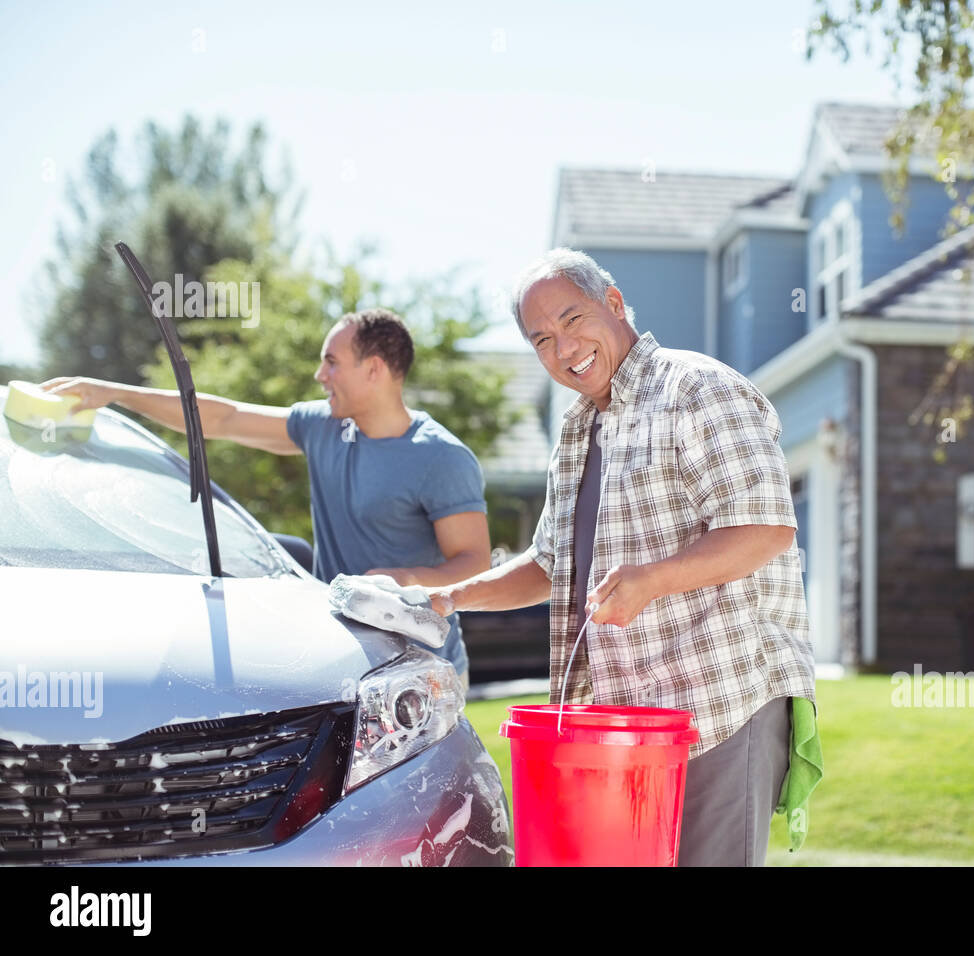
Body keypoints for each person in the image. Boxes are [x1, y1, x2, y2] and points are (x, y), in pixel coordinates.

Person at [426, 248, 817, 866]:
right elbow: (550, 565)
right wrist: (450, 598)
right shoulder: (578, 431)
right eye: (542, 339)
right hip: (621, 729)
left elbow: (765, 527)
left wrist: (651, 580)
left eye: (573, 319)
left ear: (613, 302)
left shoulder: (696, 389)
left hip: (720, 706)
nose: (564, 348)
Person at [41, 308, 490, 685]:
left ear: (373, 369)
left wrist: (399, 579)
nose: (320, 375)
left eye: (332, 362)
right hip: (351, 661)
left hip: (428, 667)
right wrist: (114, 393)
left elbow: (474, 563)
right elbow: (223, 418)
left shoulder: (440, 457)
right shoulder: (323, 428)